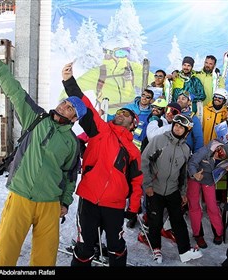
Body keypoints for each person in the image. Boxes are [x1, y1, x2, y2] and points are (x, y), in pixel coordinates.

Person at [0, 41, 85, 266]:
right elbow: (14, 91)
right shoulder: (36, 119)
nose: (65, 107)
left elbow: (70, 175)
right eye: (65, 103)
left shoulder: (72, 143)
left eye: (71, 108)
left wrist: (64, 202)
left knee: (45, 260)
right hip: (20, 197)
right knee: (5, 255)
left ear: (75, 118)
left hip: (49, 204)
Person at [62, 63, 143, 267]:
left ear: (134, 124)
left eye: (127, 114)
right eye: (120, 112)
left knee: (116, 247)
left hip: (114, 205)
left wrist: (133, 208)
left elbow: (136, 181)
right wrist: (69, 81)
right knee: (84, 247)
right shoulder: (100, 129)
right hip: (89, 199)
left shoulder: (133, 151)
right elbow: (85, 105)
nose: (121, 114)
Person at [141, 114, 203, 263]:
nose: (177, 128)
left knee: (178, 221)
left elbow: (183, 173)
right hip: (155, 189)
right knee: (155, 221)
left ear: (187, 131)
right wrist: (147, 185)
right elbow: (144, 161)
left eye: (181, 127)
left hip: (173, 190)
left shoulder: (185, 149)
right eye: (176, 124)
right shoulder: (159, 140)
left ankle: (185, 251)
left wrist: (182, 192)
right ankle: (156, 249)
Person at [187, 141, 228, 248]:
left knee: (212, 206)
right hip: (196, 177)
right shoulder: (206, 150)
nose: (218, 153)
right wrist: (194, 174)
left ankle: (218, 232)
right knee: (194, 206)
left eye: (221, 155)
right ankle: (198, 234)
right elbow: (192, 162)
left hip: (209, 180)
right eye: (219, 150)